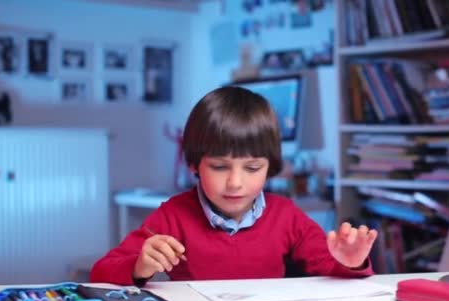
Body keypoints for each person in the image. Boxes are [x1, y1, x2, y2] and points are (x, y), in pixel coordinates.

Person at [90, 86, 378, 285]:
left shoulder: (286, 216)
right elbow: (101, 274)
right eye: (219, 166)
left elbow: (334, 272)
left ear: (270, 167)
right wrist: (139, 265)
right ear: (194, 164)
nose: (235, 182)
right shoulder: (173, 215)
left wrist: (351, 262)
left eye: (252, 168)